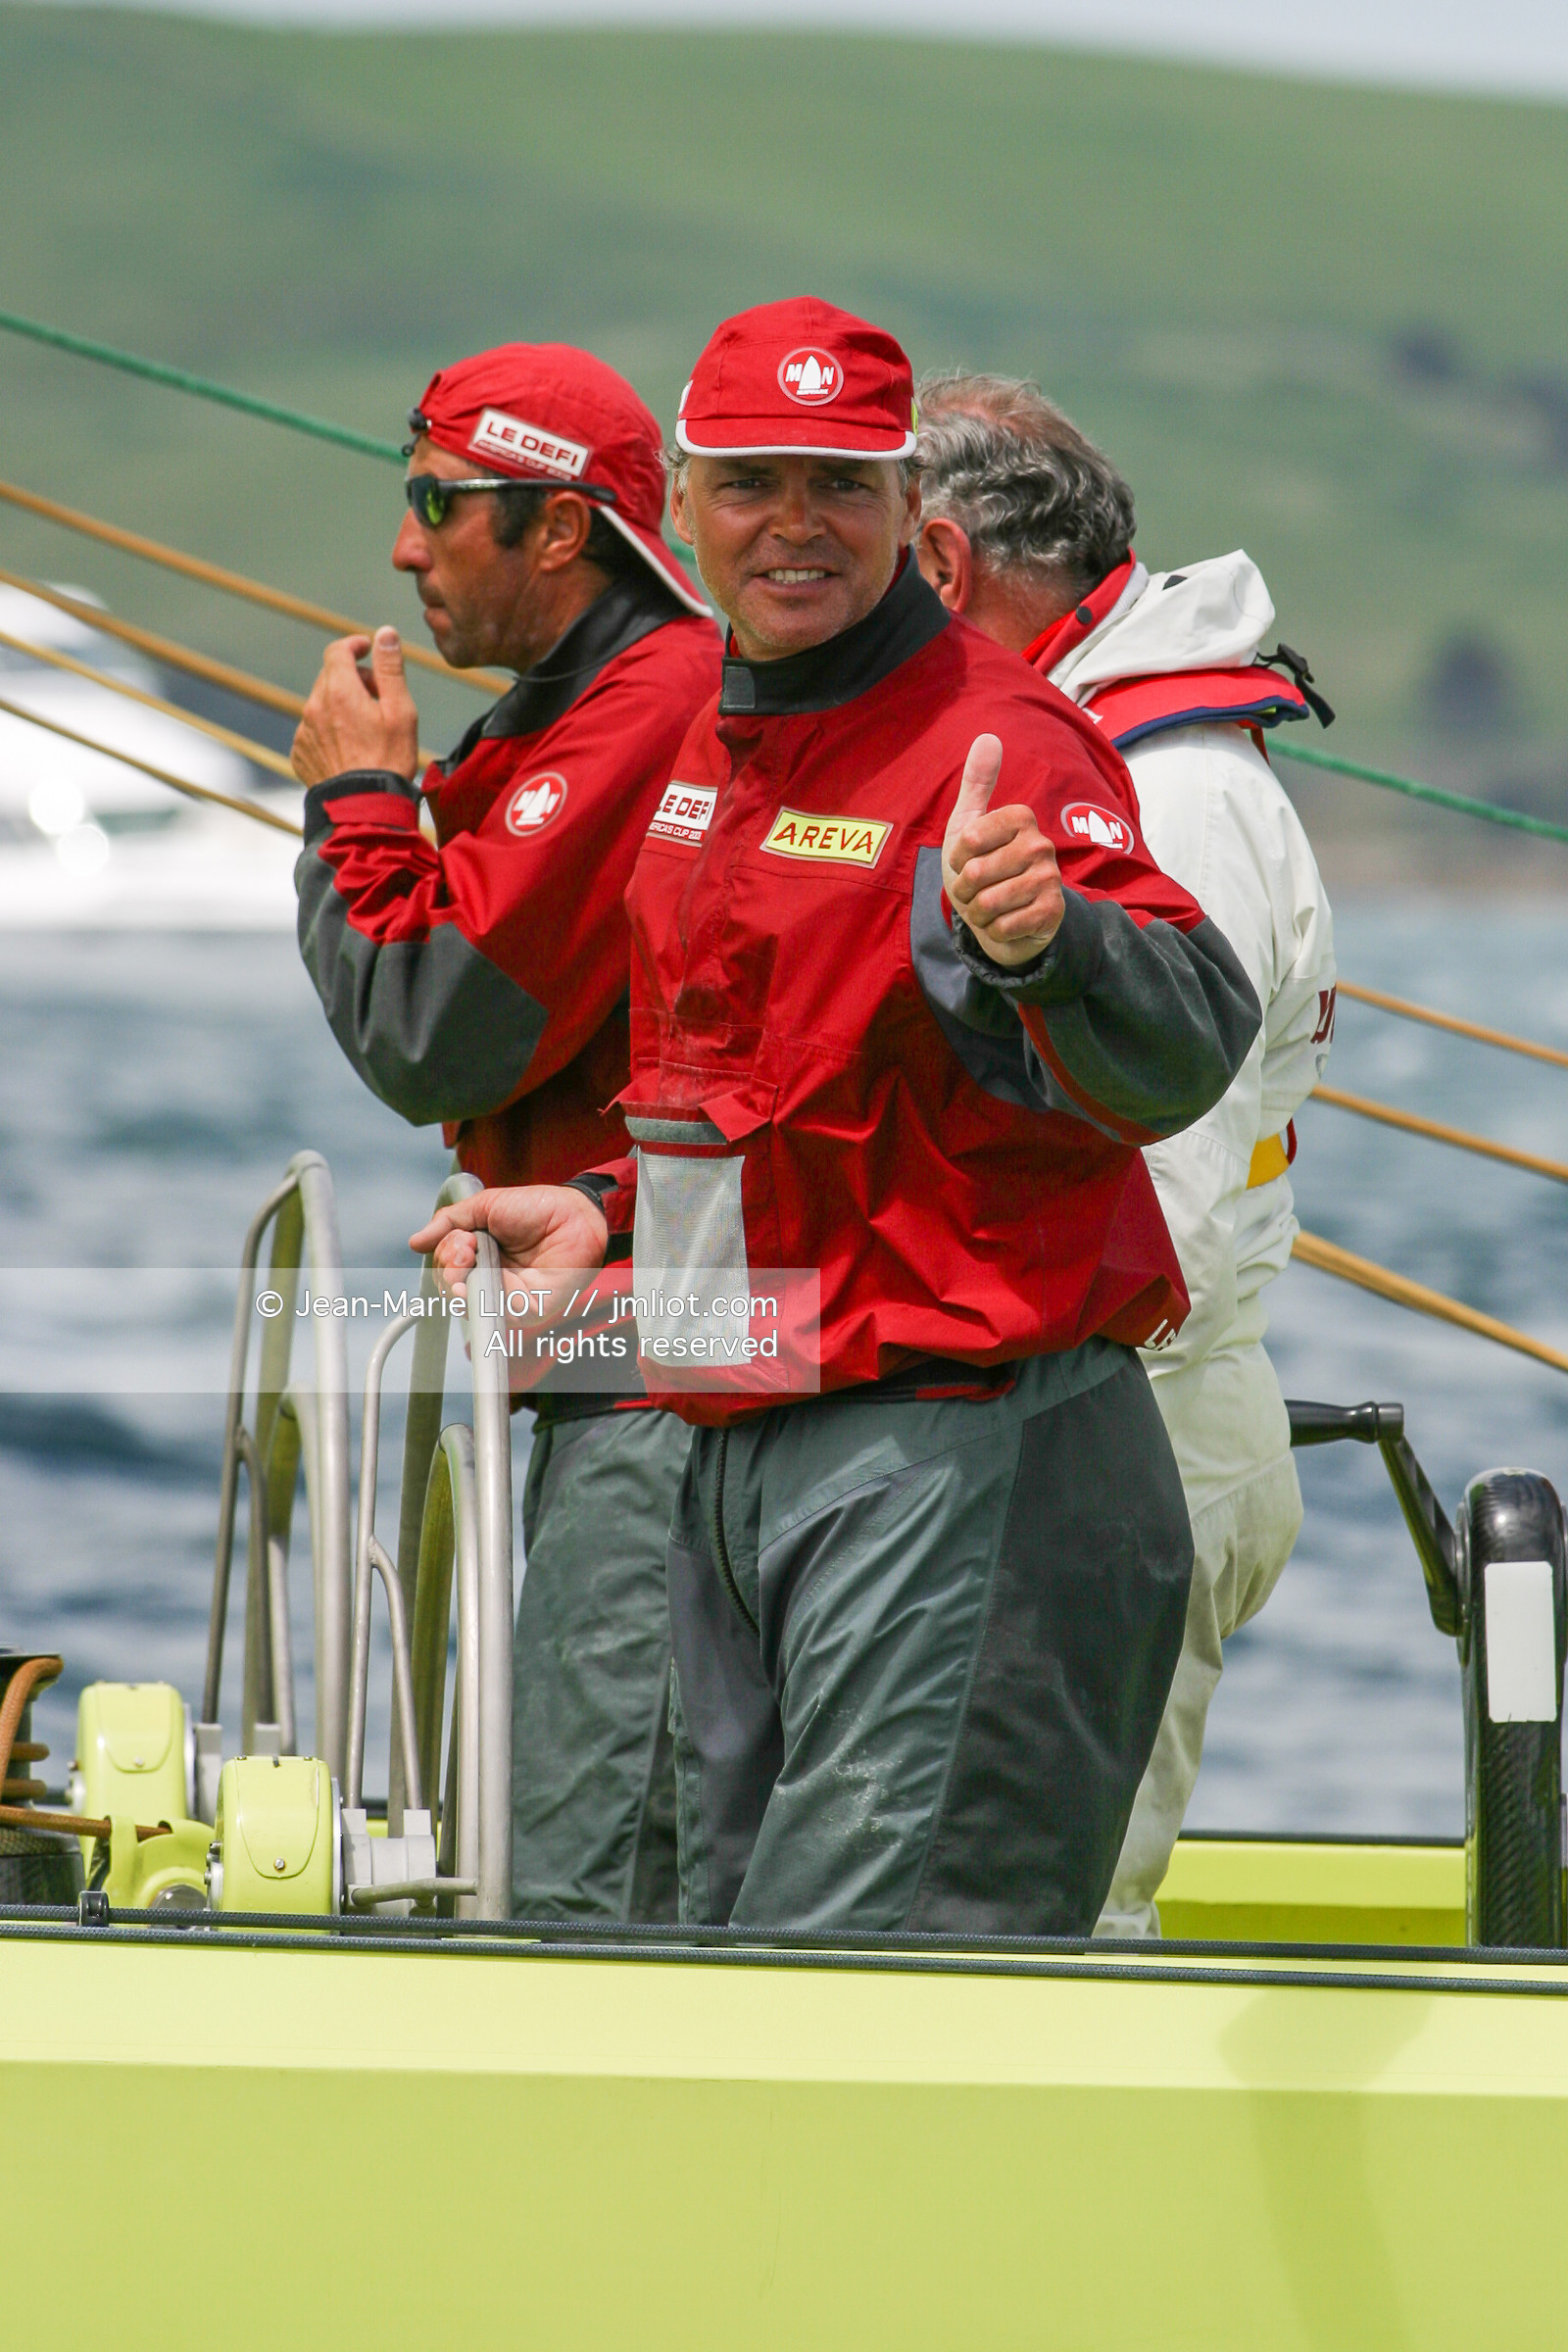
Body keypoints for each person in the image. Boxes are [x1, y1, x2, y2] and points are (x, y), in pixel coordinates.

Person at [413, 297, 1262, 1938]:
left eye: (839, 485)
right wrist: (606, 1202)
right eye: (752, 484)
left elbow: (1183, 1043)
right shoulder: (719, 744)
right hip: (753, 1436)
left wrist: (1055, 942)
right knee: (732, 1987)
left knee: (872, 2013)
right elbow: (783, 1091)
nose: (793, 525)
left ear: (912, 525)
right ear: (684, 507)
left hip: (961, 1461)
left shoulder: (997, 741)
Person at [292, 343, 721, 1921]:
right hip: (636, 1347)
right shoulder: (599, 699)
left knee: (590, 1855)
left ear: (560, 532)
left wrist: (358, 805)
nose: (406, 545)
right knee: (600, 1818)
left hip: (673, 1370)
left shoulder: (649, 704)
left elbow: (431, 1025)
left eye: (437, 503)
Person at [914, 370, 1338, 1936]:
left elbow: (1168, 1187)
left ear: (944, 571)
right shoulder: (1098, 756)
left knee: (1050, 1921)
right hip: (1071, 1424)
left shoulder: (1171, 793)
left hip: (1111, 1436)